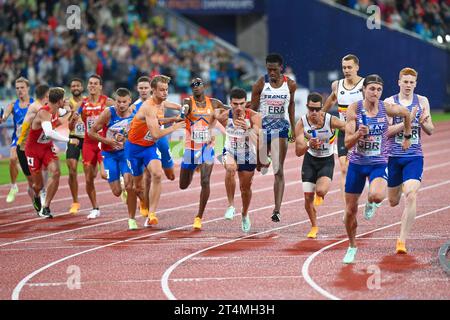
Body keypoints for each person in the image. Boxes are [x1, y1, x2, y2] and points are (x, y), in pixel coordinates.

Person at [342, 74, 412, 264]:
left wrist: (406, 135)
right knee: (349, 212)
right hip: (357, 164)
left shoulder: (385, 108)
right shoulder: (354, 109)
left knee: (377, 196)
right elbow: (347, 144)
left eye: (379, 89)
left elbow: (406, 113)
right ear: (364, 89)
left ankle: (371, 202)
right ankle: (352, 246)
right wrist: (358, 133)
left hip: (378, 163)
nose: (375, 92)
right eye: (372, 88)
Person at [385, 68, 434, 254]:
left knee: (411, 194)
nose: (408, 85)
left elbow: (431, 129)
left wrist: (422, 122)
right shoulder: (389, 102)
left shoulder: (422, 101)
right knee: (392, 201)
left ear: (415, 84)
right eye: (405, 82)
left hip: (414, 156)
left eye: (411, 82)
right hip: (393, 157)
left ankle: (401, 241)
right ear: (399, 82)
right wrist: (408, 119)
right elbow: (386, 132)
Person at [125, 75, 185, 227]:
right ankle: (142, 203)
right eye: (161, 90)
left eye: (166, 89)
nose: (165, 93)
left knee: (157, 174)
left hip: (149, 147)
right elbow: (156, 133)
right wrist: (175, 126)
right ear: (153, 91)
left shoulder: (161, 103)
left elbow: (164, 111)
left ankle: (152, 214)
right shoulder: (148, 107)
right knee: (137, 187)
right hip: (134, 149)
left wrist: (176, 114)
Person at [250, 53, 297, 223]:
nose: (271, 73)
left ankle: (277, 209)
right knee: (261, 165)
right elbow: (253, 109)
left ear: (281, 68)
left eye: (274, 70)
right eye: (269, 69)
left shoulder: (290, 84)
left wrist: (292, 127)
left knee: (278, 170)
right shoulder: (260, 84)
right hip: (263, 128)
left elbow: (291, 106)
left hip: (281, 129)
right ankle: (264, 159)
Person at [179, 77, 228, 230]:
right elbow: (184, 109)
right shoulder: (188, 102)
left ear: (204, 86)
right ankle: (193, 168)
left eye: (198, 84)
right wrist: (183, 112)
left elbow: (228, 110)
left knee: (205, 181)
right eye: (193, 85)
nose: (196, 87)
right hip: (190, 149)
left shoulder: (214, 103)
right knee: (183, 185)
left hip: (207, 148)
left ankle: (199, 217)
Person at [295, 92, 345, 239]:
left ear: (322, 108)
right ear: (307, 107)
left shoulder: (331, 121)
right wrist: (309, 144)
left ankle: (321, 194)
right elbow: (298, 152)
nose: (314, 113)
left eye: (317, 109)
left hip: (326, 161)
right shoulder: (301, 123)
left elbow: (348, 128)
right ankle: (314, 226)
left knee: (321, 191)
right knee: (307, 198)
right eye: (311, 109)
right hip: (310, 161)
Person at [25, 87, 79, 218]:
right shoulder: (44, 112)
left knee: (56, 172)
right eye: (63, 99)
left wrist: (69, 110)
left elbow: (65, 112)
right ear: (59, 101)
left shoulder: (57, 109)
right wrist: (69, 140)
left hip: (46, 148)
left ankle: (46, 207)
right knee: (38, 185)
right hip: (33, 150)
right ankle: (36, 196)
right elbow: (49, 132)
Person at [88, 88, 137, 229]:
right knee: (116, 192)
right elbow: (91, 132)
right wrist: (107, 141)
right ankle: (121, 188)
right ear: (115, 101)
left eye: (124, 102)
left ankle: (132, 220)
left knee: (130, 185)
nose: (121, 105)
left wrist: (127, 139)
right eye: (118, 102)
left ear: (129, 102)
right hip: (109, 154)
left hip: (125, 154)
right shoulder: (109, 113)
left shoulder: (134, 114)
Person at [69, 74, 114, 219]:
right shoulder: (82, 104)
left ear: (100, 86)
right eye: (90, 83)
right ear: (87, 86)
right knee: (89, 178)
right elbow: (71, 126)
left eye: (95, 83)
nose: (92, 85)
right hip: (88, 143)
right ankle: (95, 208)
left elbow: (120, 113)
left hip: (102, 141)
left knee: (103, 174)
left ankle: (118, 179)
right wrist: (73, 120)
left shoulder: (107, 102)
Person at [216, 87, 261, 233]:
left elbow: (260, 142)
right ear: (230, 103)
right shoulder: (224, 116)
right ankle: (231, 205)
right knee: (230, 168)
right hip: (230, 151)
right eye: (235, 104)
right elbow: (210, 121)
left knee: (245, 189)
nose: (238, 107)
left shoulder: (254, 117)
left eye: (241, 104)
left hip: (248, 154)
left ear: (246, 103)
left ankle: (245, 213)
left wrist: (248, 129)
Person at [322, 54, 364, 202]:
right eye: (344, 67)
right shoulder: (337, 85)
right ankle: (347, 206)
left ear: (357, 67)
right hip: (344, 131)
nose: (346, 70)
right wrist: (322, 114)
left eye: (349, 67)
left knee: (365, 168)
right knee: (344, 168)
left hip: (362, 132)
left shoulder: (364, 85)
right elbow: (332, 98)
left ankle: (372, 199)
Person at [16, 84, 50, 212]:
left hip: (34, 148)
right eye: (49, 95)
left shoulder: (41, 107)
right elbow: (49, 113)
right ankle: (37, 195)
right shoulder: (36, 107)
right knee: (32, 182)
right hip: (23, 149)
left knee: (44, 172)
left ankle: (42, 193)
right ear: (46, 96)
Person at [0, 77, 34, 203]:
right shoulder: (13, 105)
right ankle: (14, 186)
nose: (20, 90)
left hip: (32, 140)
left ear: (28, 88)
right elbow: (4, 118)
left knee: (33, 171)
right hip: (18, 139)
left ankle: (36, 190)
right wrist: (1, 118)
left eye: (22, 88)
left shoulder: (34, 104)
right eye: (17, 88)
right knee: (13, 158)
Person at [66, 78, 86, 214]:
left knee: (92, 172)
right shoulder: (67, 102)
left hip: (88, 138)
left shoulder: (87, 101)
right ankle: (75, 201)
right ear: (70, 88)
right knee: (72, 168)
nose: (75, 87)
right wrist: (71, 111)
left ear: (82, 87)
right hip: (74, 137)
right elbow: (66, 116)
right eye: (73, 85)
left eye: (78, 85)